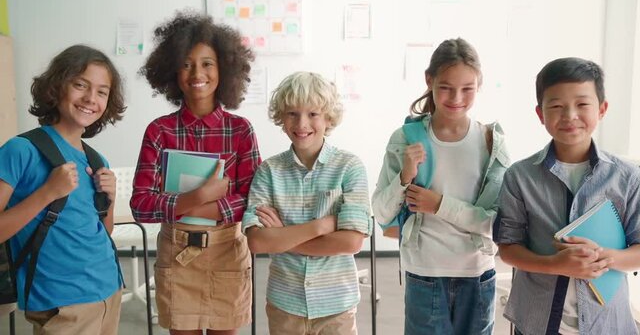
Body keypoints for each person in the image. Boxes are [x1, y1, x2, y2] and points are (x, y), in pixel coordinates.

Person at [130, 11, 260, 335]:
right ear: (172, 71)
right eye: (186, 64)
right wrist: (199, 196)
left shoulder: (241, 131)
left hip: (227, 255)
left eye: (207, 63)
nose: (196, 73)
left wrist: (196, 208)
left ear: (224, 69)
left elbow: (254, 201)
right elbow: (140, 205)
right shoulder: (159, 132)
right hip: (177, 257)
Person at [372, 38, 509, 335]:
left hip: (477, 274)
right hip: (425, 274)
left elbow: (496, 223)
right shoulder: (405, 137)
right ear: (429, 80)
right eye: (446, 86)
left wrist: (439, 205)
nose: (456, 97)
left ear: (479, 85)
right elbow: (381, 213)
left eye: (467, 88)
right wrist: (404, 177)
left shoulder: (491, 142)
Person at [495, 57, 640, 335]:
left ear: (602, 109)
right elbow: (508, 247)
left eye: (582, 104)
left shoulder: (628, 177)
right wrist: (553, 264)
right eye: (557, 106)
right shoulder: (520, 176)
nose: (570, 115)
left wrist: (602, 257)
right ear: (540, 114)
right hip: (537, 319)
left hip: (607, 322)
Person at [0, 44, 126, 334]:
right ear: (56, 87)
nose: (90, 98)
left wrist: (110, 198)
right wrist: (47, 193)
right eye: (80, 85)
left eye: (102, 91)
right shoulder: (21, 150)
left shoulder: (96, 159)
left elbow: (103, 232)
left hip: (109, 290)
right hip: (61, 302)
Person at [242, 71, 372, 335]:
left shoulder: (349, 167)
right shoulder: (268, 171)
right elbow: (257, 242)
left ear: (328, 118)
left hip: (337, 306)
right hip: (284, 304)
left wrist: (283, 236)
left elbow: (351, 242)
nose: (302, 123)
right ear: (282, 117)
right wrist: (322, 226)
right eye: (292, 113)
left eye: (312, 113)